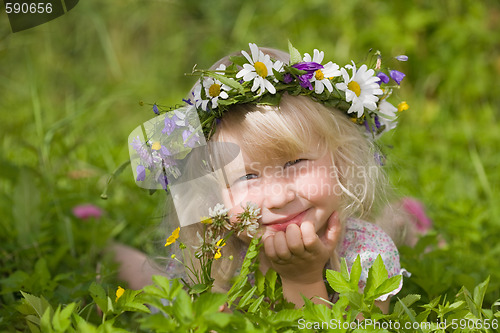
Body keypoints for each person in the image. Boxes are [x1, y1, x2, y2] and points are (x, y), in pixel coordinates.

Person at [122, 42, 419, 312]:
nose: (279, 197)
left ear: (340, 161)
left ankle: (407, 220)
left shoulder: (366, 255)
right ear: (212, 198)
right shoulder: (222, 258)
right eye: (247, 176)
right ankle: (107, 252)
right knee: (160, 289)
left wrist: (302, 280)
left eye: (294, 163)